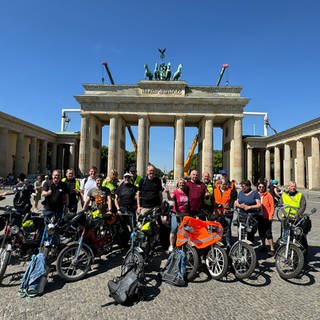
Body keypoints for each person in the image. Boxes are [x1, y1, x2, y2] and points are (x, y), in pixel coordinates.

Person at [212, 178, 238, 248]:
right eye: (223, 184)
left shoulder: (230, 191)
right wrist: (219, 205)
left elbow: (233, 201)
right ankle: (219, 242)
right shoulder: (215, 191)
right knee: (219, 228)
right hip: (218, 213)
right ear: (219, 184)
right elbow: (213, 201)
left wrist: (229, 207)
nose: (224, 186)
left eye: (225, 184)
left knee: (228, 228)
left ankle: (229, 243)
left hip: (227, 213)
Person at [165, 178, 189, 252]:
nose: (181, 184)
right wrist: (167, 192)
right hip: (176, 214)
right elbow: (170, 198)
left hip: (185, 214)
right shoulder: (175, 191)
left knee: (185, 230)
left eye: (183, 183)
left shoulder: (187, 192)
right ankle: (171, 245)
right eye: (180, 183)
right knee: (174, 229)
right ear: (178, 184)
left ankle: (183, 245)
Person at [257, 182, 275, 255]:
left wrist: (271, 216)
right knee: (261, 232)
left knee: (268, 232)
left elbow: (272, 206)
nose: (261, 188)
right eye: (260, 187)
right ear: (258, 187)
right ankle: (263, 245)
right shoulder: (256, 194)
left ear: (265, 187)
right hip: (258, 216)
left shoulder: (268, 195)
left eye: (262, 187)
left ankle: (272, 248)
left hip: (267, 217)